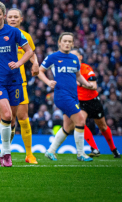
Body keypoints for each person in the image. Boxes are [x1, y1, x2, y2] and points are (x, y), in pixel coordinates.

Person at [0, 2, 34, 167]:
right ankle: (7, 155)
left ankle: (2, 153)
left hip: (15, 81)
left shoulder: (14, 32)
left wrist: (18, 63)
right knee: (6, 116)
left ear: (4, 15)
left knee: (12, 121)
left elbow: (29, 51)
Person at [38, 32, 94, 162]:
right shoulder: (53, 57)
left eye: (70, 41)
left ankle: (50, 151)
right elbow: (39, 71)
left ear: (73, 44)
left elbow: (78, 75)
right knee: (80, 121)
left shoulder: (74, 59)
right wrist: (48, 82)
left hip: (73, 96)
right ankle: (81, 153)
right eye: (65, 41)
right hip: (62, 95)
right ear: (59, 42)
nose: (67, 43)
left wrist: (87, 84)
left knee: (68, 127)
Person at [70, 48, 121, 158]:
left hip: (93, 101)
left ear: (80, 57)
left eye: (74, 55)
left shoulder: (86, 69)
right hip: (80, 102)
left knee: (103, 127)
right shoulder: (69, 71)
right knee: (80, 123)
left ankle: (113, 149)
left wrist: (79, 84)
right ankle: (94, 148)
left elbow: (94, 86)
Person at [6, 8, 40, 164]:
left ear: (21, 19)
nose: (13, 19)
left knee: (23, 118)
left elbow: (31, 53)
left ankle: (29, 154)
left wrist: (36, 64)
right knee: (8, 120)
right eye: (10, 17)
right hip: (1, 82)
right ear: (6, 18)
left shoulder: (25, 36)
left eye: (15, 17)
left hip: (20, 82)